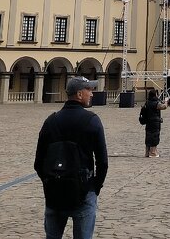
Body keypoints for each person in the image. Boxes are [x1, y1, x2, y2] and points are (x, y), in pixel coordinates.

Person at [34, 76, 108, 239]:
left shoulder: (50, 121)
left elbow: (38, 162)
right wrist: (94, 188)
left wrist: (51, 181)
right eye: (89, 90)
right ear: (79, 94)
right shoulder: (92, 120)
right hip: (83, 191)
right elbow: (102, 162)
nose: (92, 94)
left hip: (54, 192)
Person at [141, 89, 168, 157]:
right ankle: (153, 153)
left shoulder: (147, 102)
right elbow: (164, 107)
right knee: (154, 136)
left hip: (148, 122)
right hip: (155, 122)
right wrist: (166, 102)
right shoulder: (156, 103)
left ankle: (147, 152)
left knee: (148, 137)